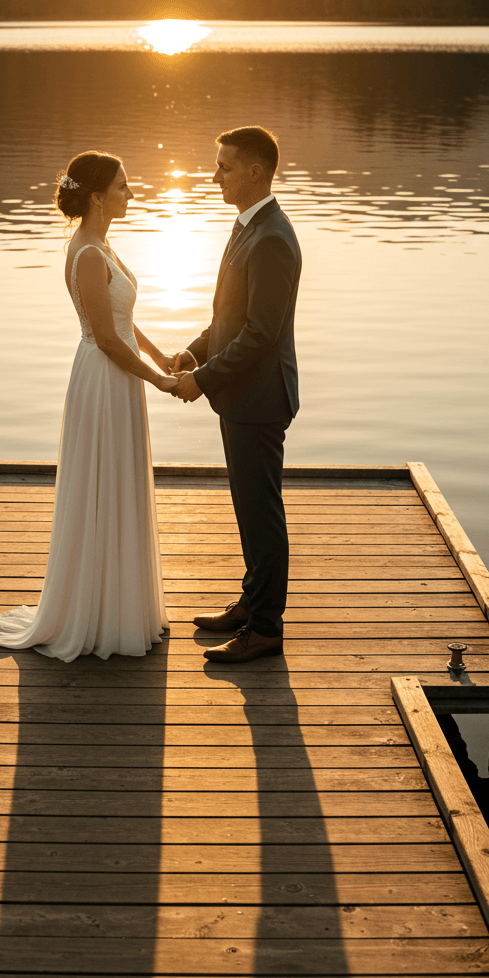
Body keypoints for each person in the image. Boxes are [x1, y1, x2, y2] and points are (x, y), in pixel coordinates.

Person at [0, 151, 176, 661]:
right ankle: (96, 612)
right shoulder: (88, 254)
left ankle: (119, 601)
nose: (131, 194)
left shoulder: (102, 244)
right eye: (122, 185)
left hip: (119, 375)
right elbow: (110, 342)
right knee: (103, 482)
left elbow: (121, 320)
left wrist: (162, 356)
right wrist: (159, 381)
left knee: (118, 479)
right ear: (97, 196)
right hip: (104, 378)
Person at [171, 126, 301, 663]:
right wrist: (195, 352)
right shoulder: (248, 225)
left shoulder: (272, 237)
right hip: (240, 397)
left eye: (224, 166)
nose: (215, 175)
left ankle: (266, 628)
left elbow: (260, 334)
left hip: (260, 399)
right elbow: (230, 316)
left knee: (261, 511)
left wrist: (201, 381)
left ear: (254, 172)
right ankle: (252, 602)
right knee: (248, 508)